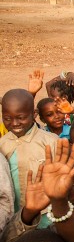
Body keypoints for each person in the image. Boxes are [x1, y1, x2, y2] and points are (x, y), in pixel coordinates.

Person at [0, 89, 57, 222]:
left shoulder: (51, 142)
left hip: (45, 215)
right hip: (13, 216)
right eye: (7, 118)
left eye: (21, 118)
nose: (14, 123)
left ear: (34, 114)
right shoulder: (2, 144)